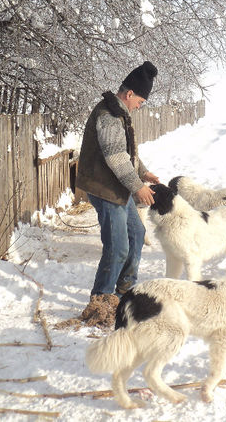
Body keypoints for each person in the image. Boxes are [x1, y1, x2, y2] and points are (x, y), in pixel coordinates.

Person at [76, 61, 160, 311]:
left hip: (117, 188)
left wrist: (143, 173)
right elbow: (116, 158)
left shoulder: (120, 112)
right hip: (105, 189)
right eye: (140, 102)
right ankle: (101, 301)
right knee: (118, 247)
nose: (139, 106)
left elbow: (126, 152)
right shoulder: (109, 116)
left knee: (136, 234)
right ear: (130, 93)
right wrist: (137, 187)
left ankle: (124, 292)